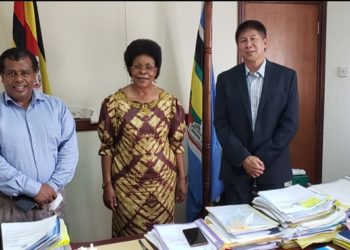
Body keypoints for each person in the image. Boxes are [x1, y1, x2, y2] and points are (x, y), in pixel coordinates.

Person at [97, 38, 187, 237]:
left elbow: (176, 145)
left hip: (163, 185)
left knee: (162, 239)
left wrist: (182, 179)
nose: (143, 71)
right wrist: (107, 185)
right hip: (127, 188)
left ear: (156, 70)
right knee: (128, 241)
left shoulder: (170, 103)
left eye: (149, 67)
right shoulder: (114, 103)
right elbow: (107, 148)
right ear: (130, 69)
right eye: (137, 66)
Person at [214, 20, 299, 204]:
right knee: (236, 227)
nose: (248, 44)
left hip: (273, 168)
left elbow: (289, 124)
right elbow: (221, 123)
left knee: (275, 228)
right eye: (243, 40)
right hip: (236, 169)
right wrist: (244, 158)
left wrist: (258, 159)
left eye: (253, 39)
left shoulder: (287, 77)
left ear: (265, 42)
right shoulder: (225, 79)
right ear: (238, 46)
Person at [0, 47, 79, 222]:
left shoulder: (57, 108)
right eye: (11, 73)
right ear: (2, 76)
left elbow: (69, 152)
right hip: (11, 206)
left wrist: (50, 188)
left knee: (57, 248)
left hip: (52, 202)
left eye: (25, 73)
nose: (19, 79)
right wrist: (35, 189)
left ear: (35, 75)